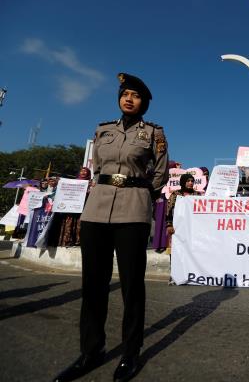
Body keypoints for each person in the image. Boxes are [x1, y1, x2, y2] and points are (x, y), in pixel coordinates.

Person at [54, 73, 169, 382]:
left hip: (133, 209)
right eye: (125, 94)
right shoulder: (103, 129)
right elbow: (97, 168)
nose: (129, 99)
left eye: (136, 95)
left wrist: (143, 194)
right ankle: (90, 351)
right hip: (97, 208)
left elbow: (160, 173)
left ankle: (130, 352)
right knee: (93, 284)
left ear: (144, 103)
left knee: (131, 285)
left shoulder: (154, 133)